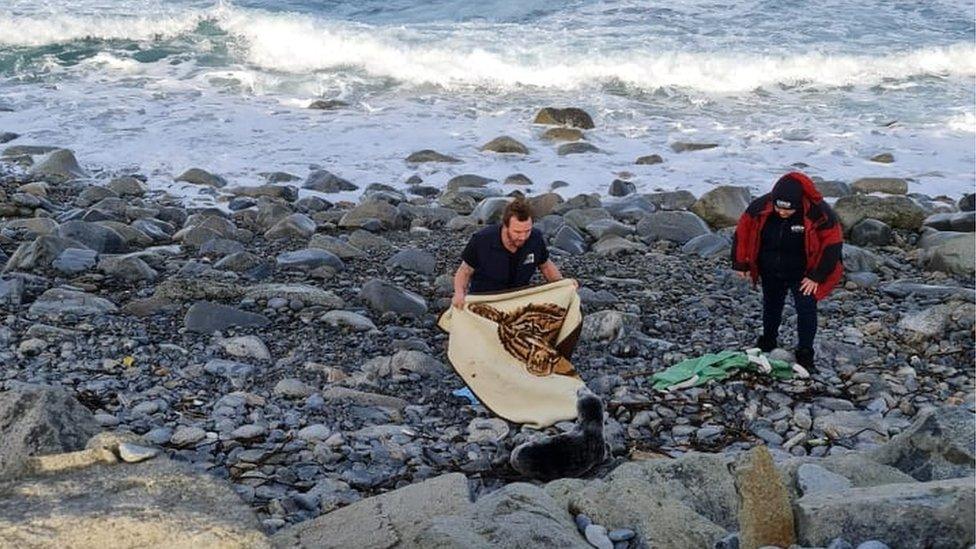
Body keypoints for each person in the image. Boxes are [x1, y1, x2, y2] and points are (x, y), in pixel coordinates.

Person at [731, 171, 844, 370]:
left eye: (788, 210)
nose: (782, 213)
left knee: (806, 309)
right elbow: (743, 232)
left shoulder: (819, 212)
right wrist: (741, 263)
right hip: (770, 268)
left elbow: (832, 245)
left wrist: (817, 276)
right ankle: (768, 342)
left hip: (804, 273)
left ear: (798, 203)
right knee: (771, 305)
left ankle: (805, 352)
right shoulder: (760, 206)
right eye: (779, 208)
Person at [452, 197, 566, 308]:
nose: (523, 237)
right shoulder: (482, 240)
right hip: (485, 301)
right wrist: (459, 293)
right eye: (517, 232)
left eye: (527, 231)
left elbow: (546, 266)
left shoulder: (535, 238)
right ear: (505, 226)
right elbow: (464, 271)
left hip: (518, 299)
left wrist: (563, 286)